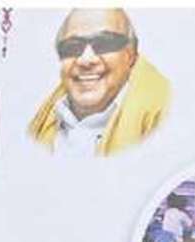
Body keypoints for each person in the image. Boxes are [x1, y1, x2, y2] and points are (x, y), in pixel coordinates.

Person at [26, 8, 169, 156]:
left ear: (130, 55)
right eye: (73, 46)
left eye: (104, 44)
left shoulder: (162, 120)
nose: (85, 60)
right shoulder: (43, 122)